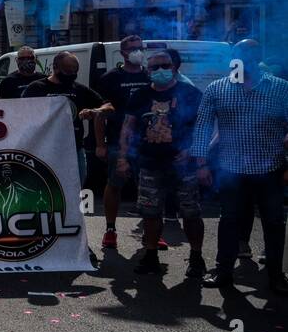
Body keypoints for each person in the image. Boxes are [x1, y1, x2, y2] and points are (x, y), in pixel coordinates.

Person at [192, 39, 288, 294]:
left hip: (271, 169)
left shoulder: (280, 88)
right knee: (230, 221)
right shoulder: (217, 88)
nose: (244, 57)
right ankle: (224, 272)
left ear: (258, 56)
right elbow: (202, 128)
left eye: (250, 52)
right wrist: (201, 164)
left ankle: (276, 276)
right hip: (231, 169)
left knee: (274, 222)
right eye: (239, 52)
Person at [117, 50, 205, 278]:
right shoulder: (140, 95)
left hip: (183, 166)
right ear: (147, 71)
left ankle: (196, 257)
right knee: (150, 213)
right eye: (154, 67)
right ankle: (151, 255)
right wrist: (123, 158)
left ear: (175, 66)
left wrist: (191, 150)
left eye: (164, 65)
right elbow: (127, 128)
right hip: (149, 164)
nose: (159, 71)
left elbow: (204, 127)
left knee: (191, 213)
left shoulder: (190, 93)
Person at [95, 36, 155, 251]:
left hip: (149, 141)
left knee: (150, 188)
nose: (138, 52)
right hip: (117, 141)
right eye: (132, 49)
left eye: (140, 48)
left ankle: (152, 232)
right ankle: (110, 230)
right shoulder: (111, 78)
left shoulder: (151, 75)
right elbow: (100, 113)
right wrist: (100, 143)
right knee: (115, 184)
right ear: (123, 53)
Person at [21, 51, 110, 186]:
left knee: (76, 188)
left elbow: (108, 106)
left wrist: (95, 111)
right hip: (45, 150)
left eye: (75, 72)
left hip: (74, 149)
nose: (72, 75)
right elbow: (21, 114)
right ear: (55, 68)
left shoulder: (79, 89)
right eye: (68, 72)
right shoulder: (37, 88)